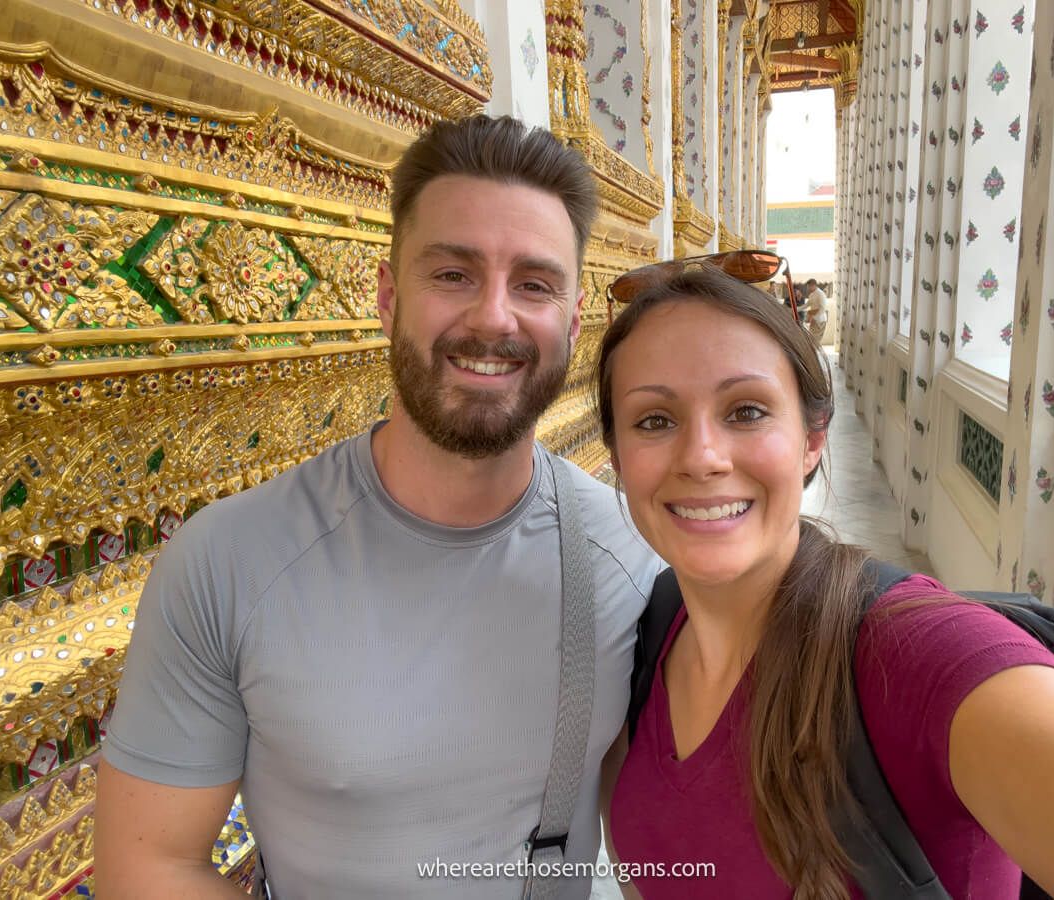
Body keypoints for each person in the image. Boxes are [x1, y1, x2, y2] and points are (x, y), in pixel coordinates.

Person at [96, 114, 659, 899]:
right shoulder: (228, 562)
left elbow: (669, 847)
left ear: (571, 325)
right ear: (389, 298)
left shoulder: (630, 562)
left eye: (533, 284)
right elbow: (149, 864)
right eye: (453, 274)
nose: (495, 317)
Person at [593, 263, 1054, 898]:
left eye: (747, 411)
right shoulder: (649, 635)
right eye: (653, 421)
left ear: (812, 440)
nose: (702, 456)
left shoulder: (915, 652)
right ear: (617, 458)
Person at [796, 277, 829, 344]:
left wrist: (813, 316)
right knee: (811, 340)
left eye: (809, 287)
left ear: (813, 285)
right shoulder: (811, 295)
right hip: (813, 319)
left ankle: (815, 354)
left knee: (815, 341)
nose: (808, 288)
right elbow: (806, 305)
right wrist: (795, 309)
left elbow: (822, 308)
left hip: (820, 320)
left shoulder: (821, 294)